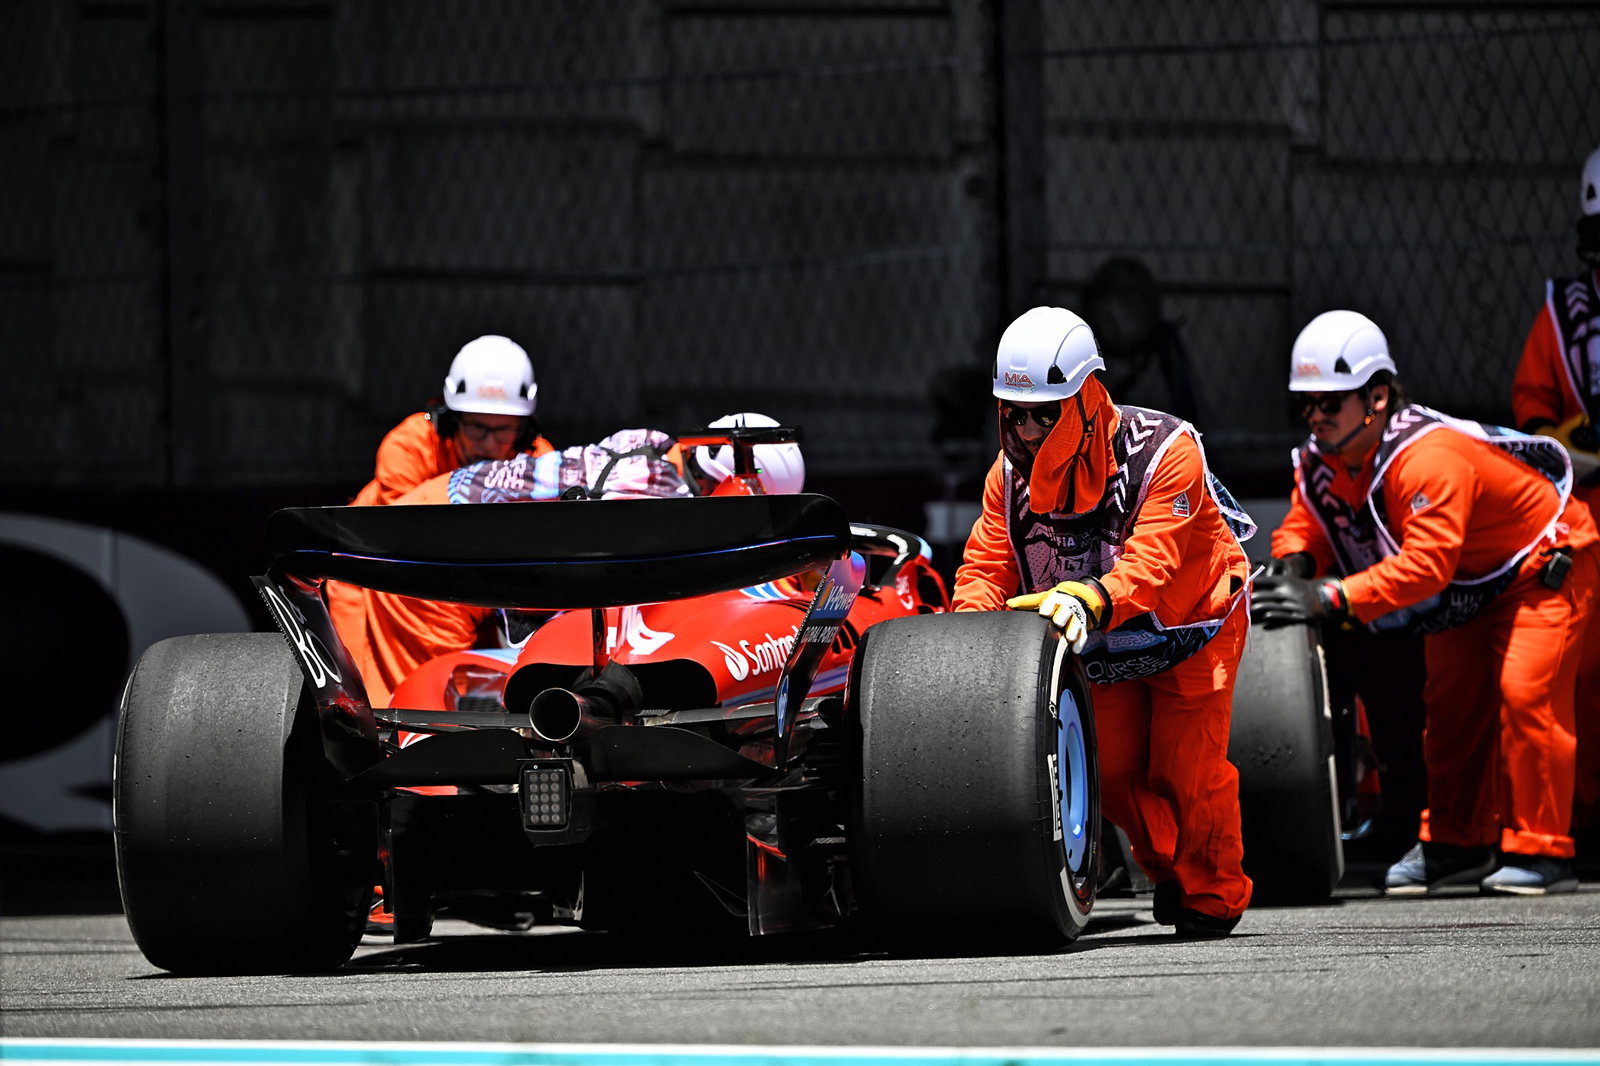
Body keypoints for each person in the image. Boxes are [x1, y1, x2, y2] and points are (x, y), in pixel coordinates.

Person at [1253, 309, 1598, 896]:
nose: (1314, 417)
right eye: (1304, 405)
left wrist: (1330, 596)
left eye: (1329, 403)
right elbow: (1309, 523)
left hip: (1542, 567)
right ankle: (1457, 844)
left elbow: (1425, 568)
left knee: (1527, 696)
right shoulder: (1325, 458)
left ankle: (1543, 852)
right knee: (1450, 714)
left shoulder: (1427, 457)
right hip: (1471, 590)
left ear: (1377, 397)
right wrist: (1295, 562)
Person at [952, 305, 1256, 939]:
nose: (1029, 430)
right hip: (1102, 639)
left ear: (1086, 397)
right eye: (1015, 413)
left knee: (1185, 771)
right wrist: (970, 636)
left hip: (1190, 629)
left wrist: (1089, 597)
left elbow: (1155, 566)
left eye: (1046, 413)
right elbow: (986, 562)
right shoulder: (1004, 479)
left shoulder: (1169, 452)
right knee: (1108, 775)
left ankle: (1214, 892)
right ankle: (1173, 870)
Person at [335, 414, 804, 707]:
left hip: (448, 512)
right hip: (439, 539)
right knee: (428, 715)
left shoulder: (654, 446)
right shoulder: (665, 500)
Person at [1510, 143, 1600, 844]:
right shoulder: (1564, 313)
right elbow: (1533, 411)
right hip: (1586, 509)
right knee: (1579, 677)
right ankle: (1583, 819)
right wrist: (1570, 442)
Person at [351, 334, 554, 506]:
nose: (489, 443)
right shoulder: (410, 446)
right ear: (451, 422)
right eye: (477, 427)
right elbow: (403, 528)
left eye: (503, 430)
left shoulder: (540, 461)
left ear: (523, 430)